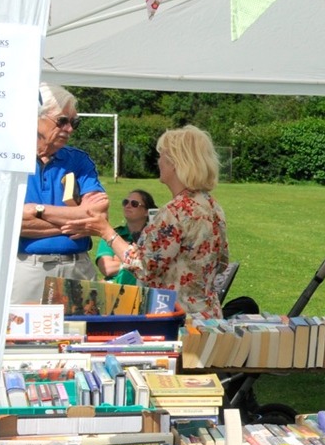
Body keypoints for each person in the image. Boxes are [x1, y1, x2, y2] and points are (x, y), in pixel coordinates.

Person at [78, 126, 230, 319]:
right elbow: (223, 262)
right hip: (209, 316)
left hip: (176, 317)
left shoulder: (175, 212)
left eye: (162, 155)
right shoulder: (213, 206)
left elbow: (144, 266)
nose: (158, 161)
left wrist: (106, 231)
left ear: (175, 162)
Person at [12, 83, 109, 304]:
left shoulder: (78, 160)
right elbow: (12, 223)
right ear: (36, 117)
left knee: (85, 336)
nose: (70, 129)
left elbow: (99, 216)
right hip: (28, 269)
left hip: (78, 268)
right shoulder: (12, 161)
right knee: (23, 337)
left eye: (74, 122)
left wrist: (39, 211)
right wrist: (78, 219)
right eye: (62, 121)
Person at [94, 189, 158, 285]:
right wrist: (137, 262)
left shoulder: (155, 237)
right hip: (115, 290)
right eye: (125, 202)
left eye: (134, 204)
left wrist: (119, 258)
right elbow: (107, 268)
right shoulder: (112, 234)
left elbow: (155, 267)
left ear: (146, 212)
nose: (128, 206)